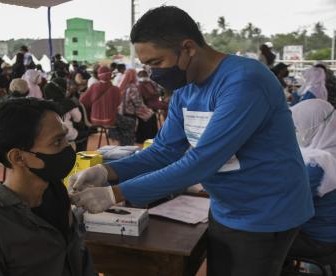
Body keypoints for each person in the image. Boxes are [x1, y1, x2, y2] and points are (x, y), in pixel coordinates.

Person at [69, 7, 314, 276]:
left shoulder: (244, 81)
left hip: (266, 210)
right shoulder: (186, 87)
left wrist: (113, 194)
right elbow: (164, 150)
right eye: (147, 65)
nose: (153, 73)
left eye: (157, 62)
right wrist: (106, 170)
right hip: (225, 205)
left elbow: (200, 163)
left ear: (188, 48)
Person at [0, 98, 96, 276]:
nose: (68, 148)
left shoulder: (55, 192)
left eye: (65, 137)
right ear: (18, 157)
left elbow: (78, 257)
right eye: (57, 142)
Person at [288, 99, 336, 260]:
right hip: (324, 229)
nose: (294, 131)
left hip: (319, 239)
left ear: (315, 127)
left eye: (297, 127)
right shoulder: (327, 150)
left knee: (258, 243)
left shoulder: (320, 163)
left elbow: (285, 199)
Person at [44, 80, 88, 151]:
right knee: (85, 133)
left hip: (51, 138)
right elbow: (78, 119)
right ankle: (79, 156)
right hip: (68, 135)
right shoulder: (68, 103)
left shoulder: (44, 105)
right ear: (61, 90)